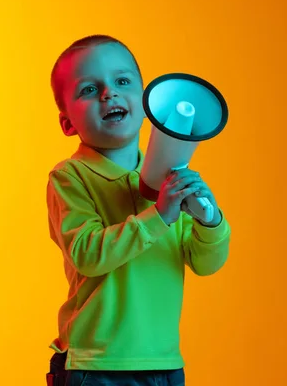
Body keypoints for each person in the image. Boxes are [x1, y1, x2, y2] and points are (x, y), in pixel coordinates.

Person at [45, 34, 231, 386]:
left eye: (122, 81)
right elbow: (87, 254)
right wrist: (158, 216)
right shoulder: (70, 177)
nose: (108, 93)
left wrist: (210, 221)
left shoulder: (168, 181)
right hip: (97, 365)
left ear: (145, 101)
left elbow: (206, 263)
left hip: (163, 361)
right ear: (68, 122)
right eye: (88, 89)